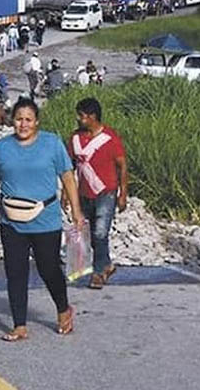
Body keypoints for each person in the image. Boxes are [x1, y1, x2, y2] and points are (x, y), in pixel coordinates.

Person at [0, 98, 85, 341]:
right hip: (11, 221)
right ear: (11, 120)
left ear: (36, 122)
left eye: (28, 119)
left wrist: (76, 211)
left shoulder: (52, 144)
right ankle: (20, 325)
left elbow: (68, 177)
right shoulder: (2, 147)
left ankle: (63, 308)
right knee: (15, 271)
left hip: (45, 220)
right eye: (18, 119)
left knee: (48, 269)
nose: (23, 124)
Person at [69, 97, 128, 289]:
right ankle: (107, 265)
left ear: (92, 116)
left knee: (100, 233)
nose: (79, 119)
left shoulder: (110, 139)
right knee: (89, 235)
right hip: (84, 193)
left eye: (82, 116)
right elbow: (69, 168)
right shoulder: (75, 138)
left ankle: (97, 273)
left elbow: (122, 166)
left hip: (106, 192)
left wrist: (123, 193)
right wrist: (65, 194)